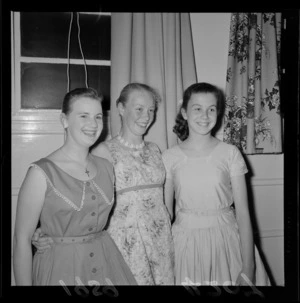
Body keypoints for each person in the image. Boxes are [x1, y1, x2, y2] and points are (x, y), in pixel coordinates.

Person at [31, 83, 175, 285]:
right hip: (125, 245)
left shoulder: (155, 150)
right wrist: (42, 230)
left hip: (161, 242)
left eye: (151, 110)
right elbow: (75, 196)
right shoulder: (102, 152)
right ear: (121, 108)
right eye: (139, 109)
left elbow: (165, 200)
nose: (146, 116)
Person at [13, 87, 137, 286]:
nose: (93, 124)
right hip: (60, 269)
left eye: (98, 117)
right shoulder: (40, 173)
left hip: (106, 263)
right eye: (83, 116)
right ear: (64, 120)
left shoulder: (106, 166)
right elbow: (21, 242)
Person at [162, 82, 270, 286]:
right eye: (197, 109)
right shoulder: (169, 157)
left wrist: (248, 267)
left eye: (211, 109)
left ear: (218, 113)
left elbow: (244, 213)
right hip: (185, 244)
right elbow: (166, 216)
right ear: (184, 112)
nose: (205, 116)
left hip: (227, 241)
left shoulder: (230, 153)